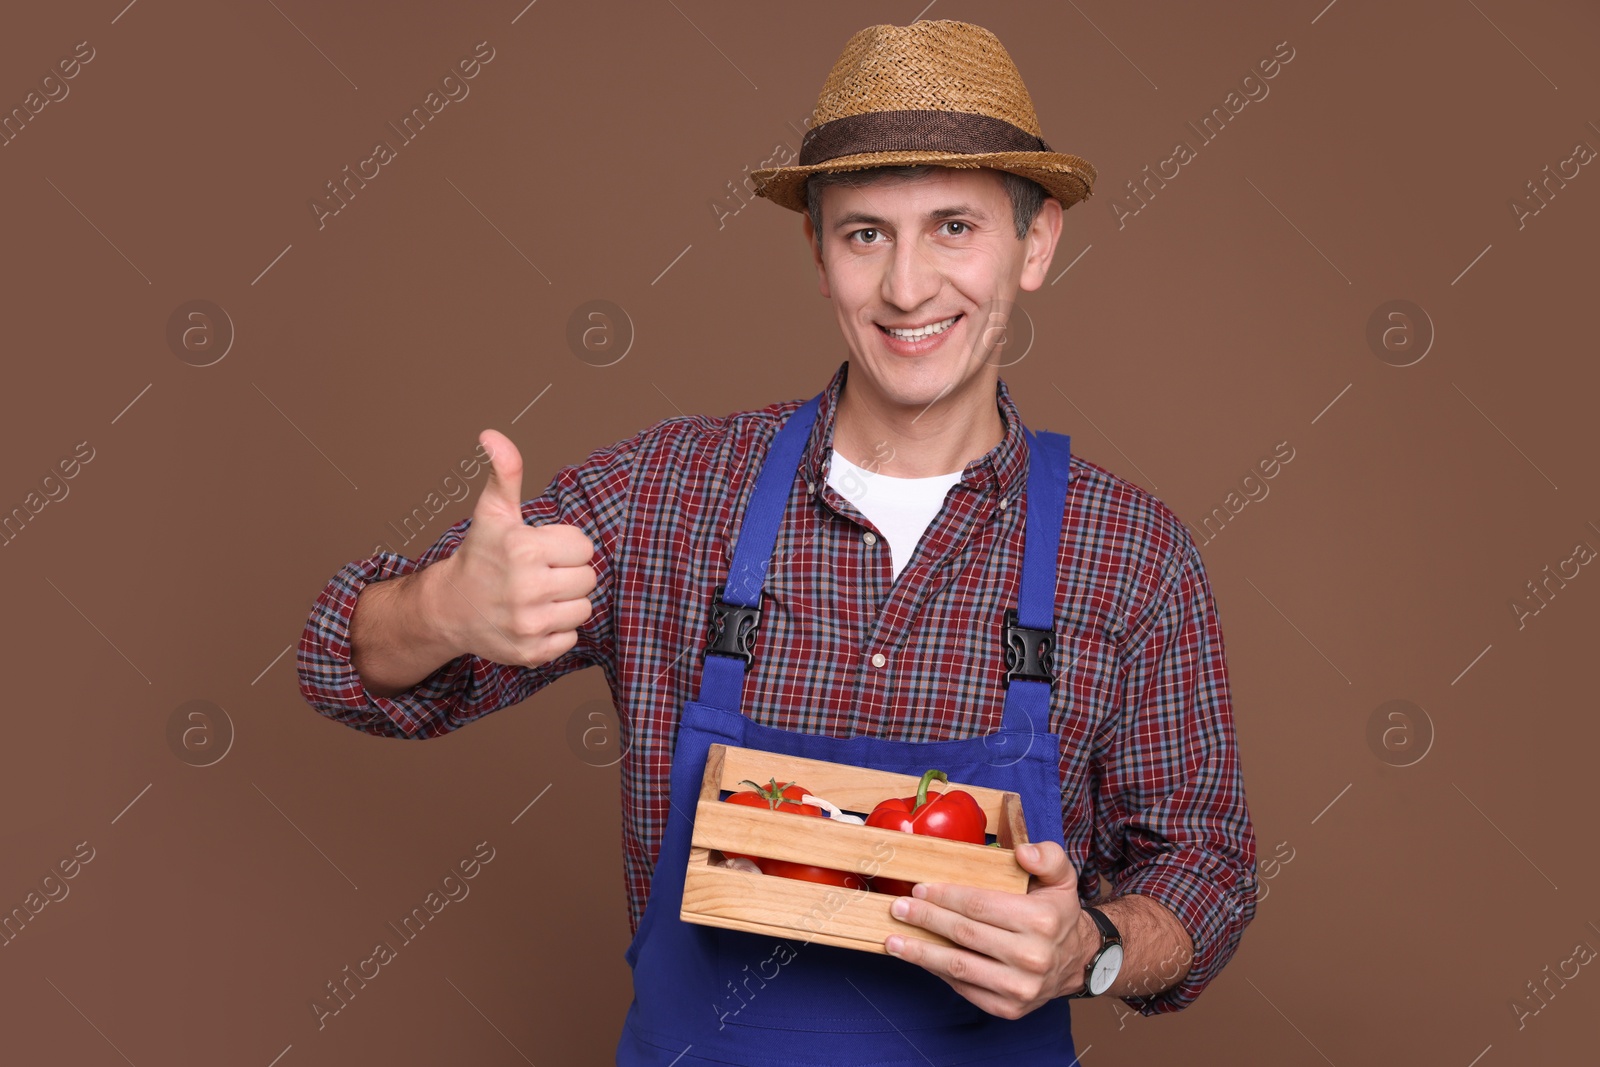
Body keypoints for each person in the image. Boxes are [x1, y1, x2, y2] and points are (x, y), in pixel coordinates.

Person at [297, 18, 1257, 1066]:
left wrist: (1094, 946)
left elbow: (1205, 863)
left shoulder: (1127, 551)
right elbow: (345, 669)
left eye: (952, 227)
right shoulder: (667, 496)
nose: (905, 287)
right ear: (817, 252)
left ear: (1035, 244)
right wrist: (439, 608)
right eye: (864, 234)